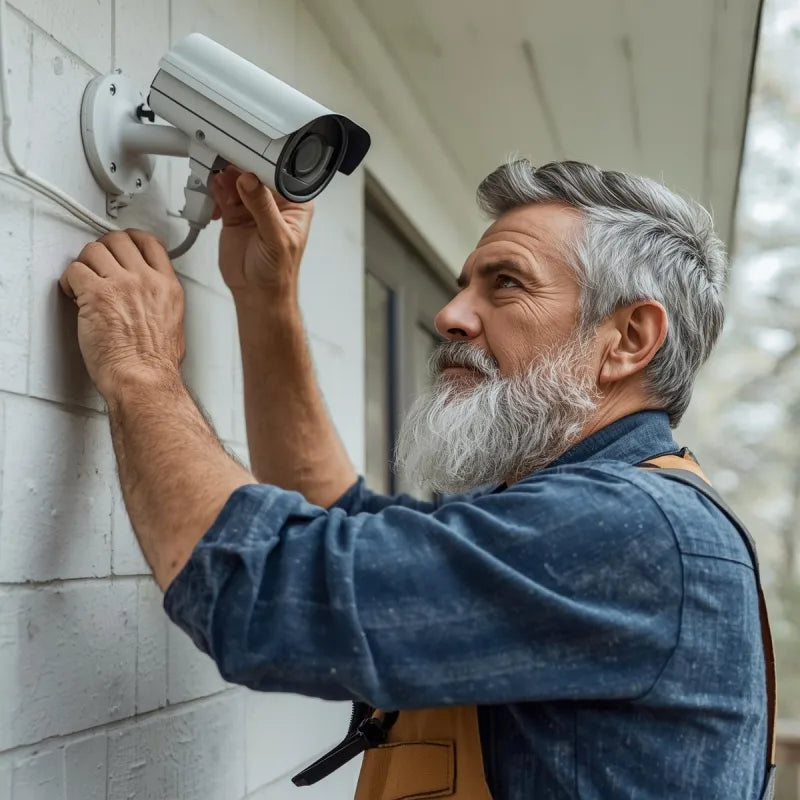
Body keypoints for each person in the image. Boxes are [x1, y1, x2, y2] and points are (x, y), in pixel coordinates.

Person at [59, 160, 772, 799]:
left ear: (627, 341)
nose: (450, 315)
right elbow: (340, 519)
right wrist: (263, 295)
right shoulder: (588, 511)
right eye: (465, 285)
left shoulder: (628, 528)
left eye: (506, 284)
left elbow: (268, 593)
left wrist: (139, 365)